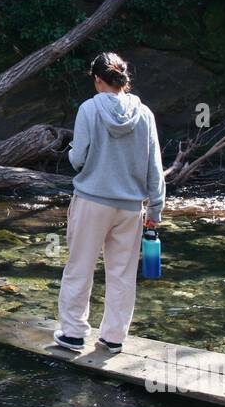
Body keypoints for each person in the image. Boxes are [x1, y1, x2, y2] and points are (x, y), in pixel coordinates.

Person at [54, 52, 165, 353]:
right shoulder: (145, 114)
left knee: (80, 267)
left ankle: (74, 334)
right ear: (123, 80)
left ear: (97, 79)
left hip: (92, 201)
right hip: (130, 207)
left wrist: (73, 153)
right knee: (122, 273)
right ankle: (113, 338)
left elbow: (78, 159)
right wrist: (155, 210)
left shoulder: (88, 109)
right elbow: (154, 167)